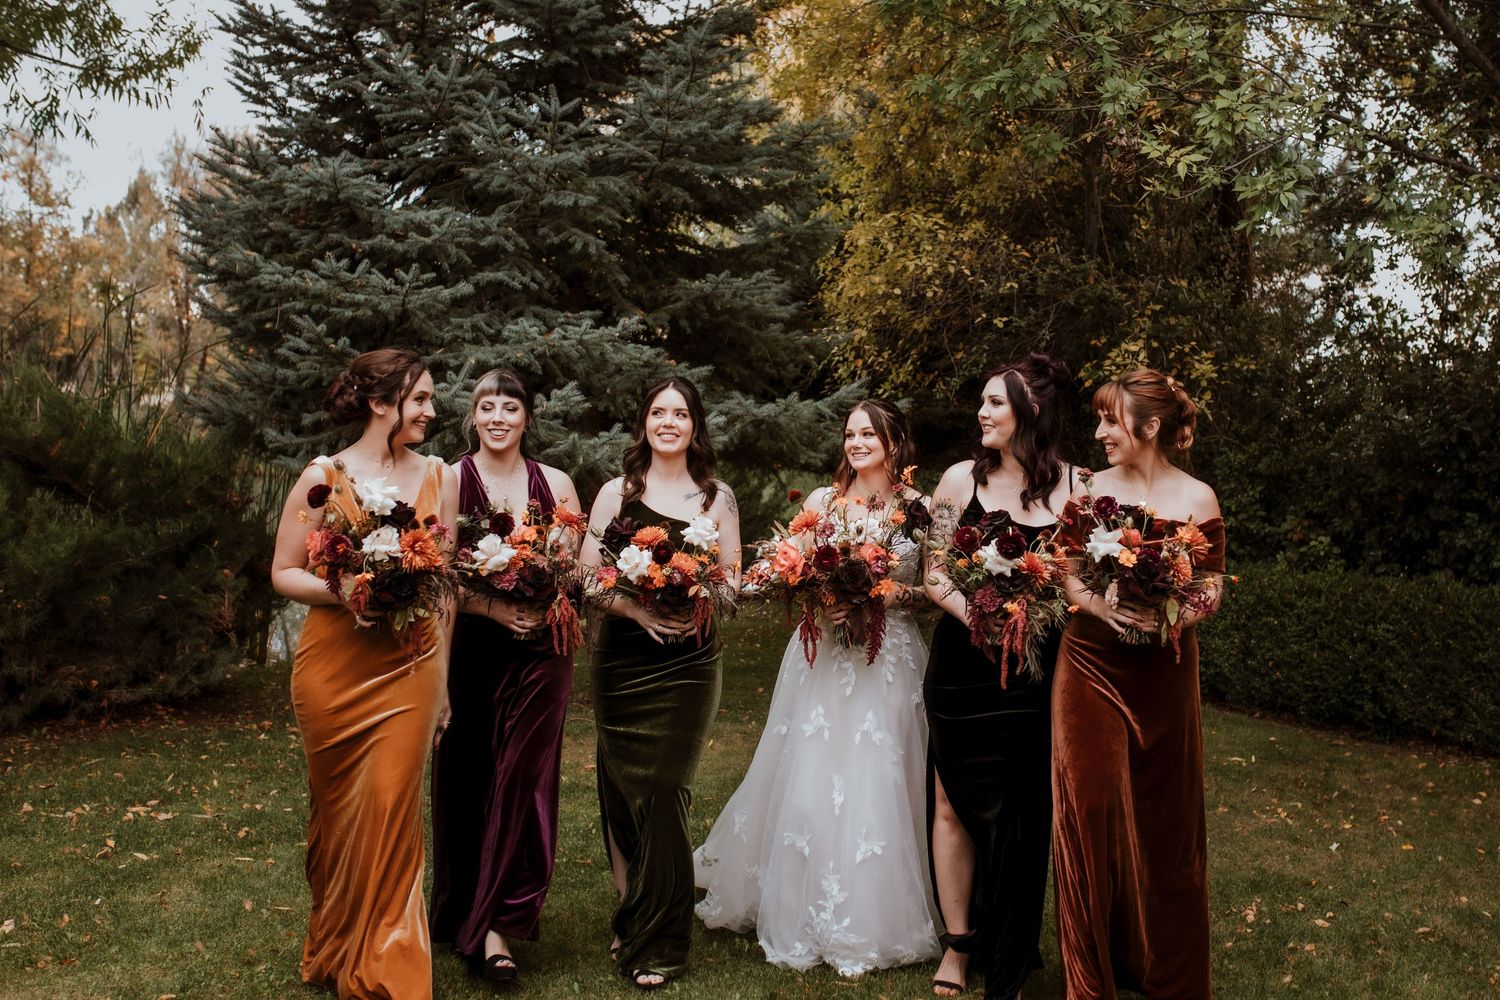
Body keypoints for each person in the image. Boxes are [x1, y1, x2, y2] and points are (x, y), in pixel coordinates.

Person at [694, 400, 941, 977]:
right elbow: (792, 568)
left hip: (889, 656)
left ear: (894, 441)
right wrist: (822, 597)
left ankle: (880, 912)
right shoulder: (821, 503)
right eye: (850, 434)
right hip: (824, 659)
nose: (856, 443)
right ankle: (795, 902)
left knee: (883, 775)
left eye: (868, 434)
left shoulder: (918, 510)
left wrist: (876, 598)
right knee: (810, 772)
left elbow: (933, 590)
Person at [269, 348, 457, 1000]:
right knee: (341, 812)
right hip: (334, 669)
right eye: (422, 399)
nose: (434, 411)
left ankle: (387, 975)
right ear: (382, 404)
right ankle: (336, 945)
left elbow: (446, 588)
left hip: (413, 664)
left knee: (391, 810)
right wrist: (345, 590)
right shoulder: (323, 476)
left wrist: (446, 687)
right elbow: (285, 569)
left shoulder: (440, 475)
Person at [1052, 368, 1225, 1000]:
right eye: (1098, 418)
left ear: (1149, 427)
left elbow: (1211, 589)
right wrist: (1103, 608)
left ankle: (1169, 977)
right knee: (1088, 812)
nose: (1098, 432)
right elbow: (1068, 577)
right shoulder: (1088, 492)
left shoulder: (1198, 499)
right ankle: (1091, 980)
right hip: (1091, 665)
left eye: (1110, 420)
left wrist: (1172, 610)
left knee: (1167, 824)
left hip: (1166, 672)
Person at [579, 376, 741, 989]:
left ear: (695, 426)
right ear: (643, 423)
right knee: (623, 788)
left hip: (691, 663)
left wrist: (693, 585)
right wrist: (636, 608)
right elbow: (587, 578)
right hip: (623, 660)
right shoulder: (617, 493)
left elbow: (732, 583)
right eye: (657, 412)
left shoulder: (715, 497)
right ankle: (632, 910)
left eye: (680, 413)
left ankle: (664, 941)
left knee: (666, 788)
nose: (668, 422)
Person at [922, 354, 1074, 999]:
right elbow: (931, 572)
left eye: (995, 404)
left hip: (1036, 673)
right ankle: (958, 947)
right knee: (953, 805)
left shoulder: (1079, 487)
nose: (981, 415)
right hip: (961, 667)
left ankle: (1011, 950)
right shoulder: (959, 481)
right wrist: (977, 618)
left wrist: (1031, 617)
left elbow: (1078, 585)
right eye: (981, 404)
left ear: (1030, 412)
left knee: (1020, 813)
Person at [429, 369, 582, 985]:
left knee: (523, 780)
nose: (497, 416)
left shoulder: (558, 484)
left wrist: (550, 580)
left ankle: (495, 927)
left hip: (543, 653)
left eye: (509, 406)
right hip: (473, 653)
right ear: (473, 417)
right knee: (469, 780)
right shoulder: (449, 481)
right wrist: (490, 606)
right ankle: (466, 908)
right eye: (486, 406)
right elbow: (438, 580)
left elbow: (577, 575)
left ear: (526, 417)